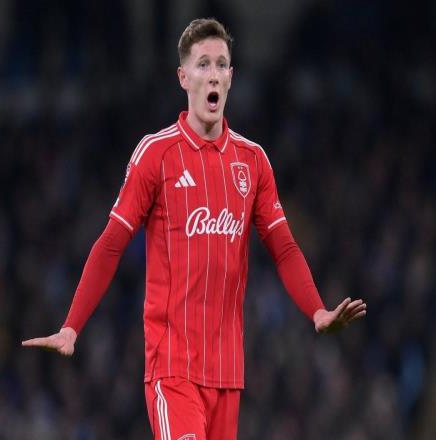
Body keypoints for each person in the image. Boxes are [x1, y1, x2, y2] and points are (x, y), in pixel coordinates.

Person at [22, 18, 367, 440]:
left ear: (231, 77)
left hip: (227, 375)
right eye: (203, 64)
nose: (213, 74)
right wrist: (71, 326)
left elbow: (284, 247)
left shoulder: (252, 161)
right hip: (172, 370)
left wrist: (317, 311)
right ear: (183, 77)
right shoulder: (156, 154)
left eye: (221, 64)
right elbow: (111, 243)